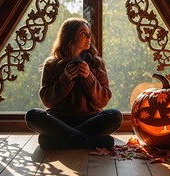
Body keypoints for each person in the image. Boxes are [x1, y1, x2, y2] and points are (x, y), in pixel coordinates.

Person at [25, 17, 123, 150]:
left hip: (90, 119)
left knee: (115, 115)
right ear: (69, 36)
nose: (89, 36)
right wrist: (65, 78)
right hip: (59, 120)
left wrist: (89, 77)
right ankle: (89, 141)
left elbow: (103, 101)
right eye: (83, 33)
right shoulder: (51, 64)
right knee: (32, 115)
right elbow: (48, 101)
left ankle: (58, 141)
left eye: (89, 33)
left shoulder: (97, 64)